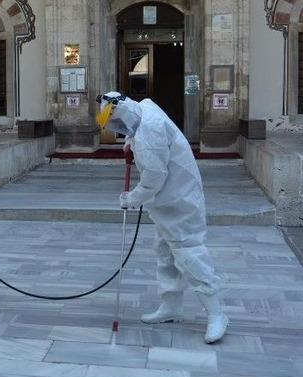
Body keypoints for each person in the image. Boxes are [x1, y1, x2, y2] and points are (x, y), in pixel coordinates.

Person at [96, 91, 228, 343]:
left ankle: (216, 313)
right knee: (165, 253)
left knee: (189, 255)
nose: (120, 130)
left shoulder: (149, 135)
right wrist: (130, 141)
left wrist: (131, 198)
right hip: (167, 203)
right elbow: (140, 129)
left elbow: (153, 179)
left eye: (119, 125)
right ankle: (171, 306)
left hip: (179, 201)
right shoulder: (144, 109)